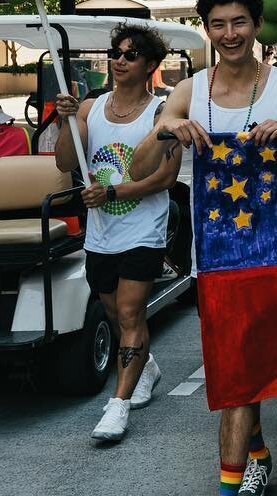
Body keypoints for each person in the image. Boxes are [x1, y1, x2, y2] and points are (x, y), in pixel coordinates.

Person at [128, 0, 277, 496]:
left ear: (257, 26)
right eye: (218, 24)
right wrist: (168, 131)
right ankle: (248, 465)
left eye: (239, 23)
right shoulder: (189, 92)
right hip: (213, 255)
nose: (229, 34)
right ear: (207, 30)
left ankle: (253, 461)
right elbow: (139, 167)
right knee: (234, 363)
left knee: (251, 361)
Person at [54, 24, 171, 443]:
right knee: (111, 310)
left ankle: (117, 406)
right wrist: (65, 120)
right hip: (102, 232)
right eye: (115, 53)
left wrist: (113, 191)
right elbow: (66, 161)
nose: (120, 60)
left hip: (144, 228)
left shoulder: (161, 113)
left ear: (150, 66)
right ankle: (147, 367)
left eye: (131, 54)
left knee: (128, 313)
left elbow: (164, 177)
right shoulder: (90, 106)